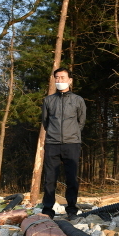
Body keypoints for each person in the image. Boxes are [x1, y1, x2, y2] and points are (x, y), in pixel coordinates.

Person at [41, 67, 86, 220]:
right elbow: (45, 122)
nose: (59, 80)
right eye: (57, 77)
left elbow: (81, 121)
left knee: (71, 178)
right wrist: (54, 134)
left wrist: (71, 133)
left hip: (72, 143)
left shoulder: (78, 100)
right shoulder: (48, 100)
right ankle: (47, 210)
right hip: (52, 144)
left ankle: (72, 210)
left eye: (62, 77)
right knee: (49, 179)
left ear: (70, 80)